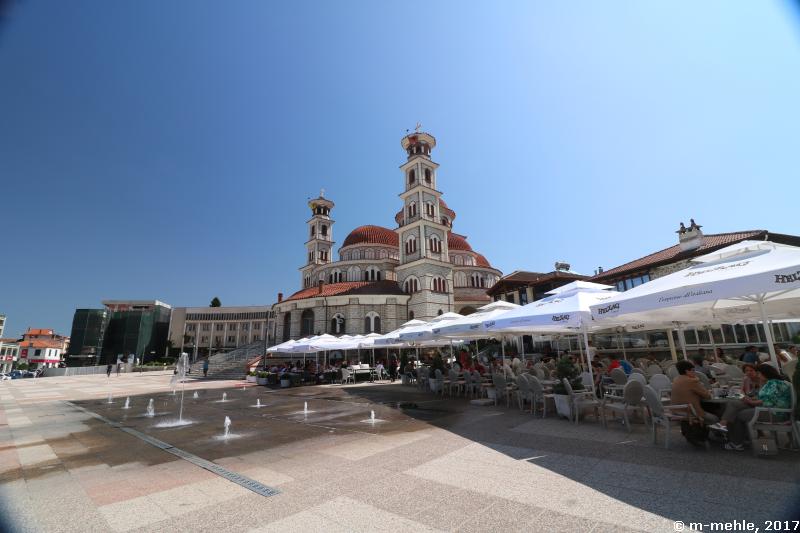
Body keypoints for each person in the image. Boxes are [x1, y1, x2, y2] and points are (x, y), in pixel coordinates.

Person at [715, 363, 792, 451]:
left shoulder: (773, 383)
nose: (758, 375)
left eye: (759, 373)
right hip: (771, 410)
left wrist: (751, 402)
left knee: (738, 414)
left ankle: (735, 441)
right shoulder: (774, 382)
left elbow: (766, 401)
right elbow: (765, 398)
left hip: (775, 413)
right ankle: (731, 434)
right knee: (734, 405)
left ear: (764, 373)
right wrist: (750, 399)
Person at [670, 360, 718, 424]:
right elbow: (707, 396)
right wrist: (696, 379)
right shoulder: (691, 381)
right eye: (693, 370)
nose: (695, 372)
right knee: (715, 418)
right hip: (690, 411)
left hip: (677, 410)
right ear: (687, 371)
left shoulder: (676, 379)